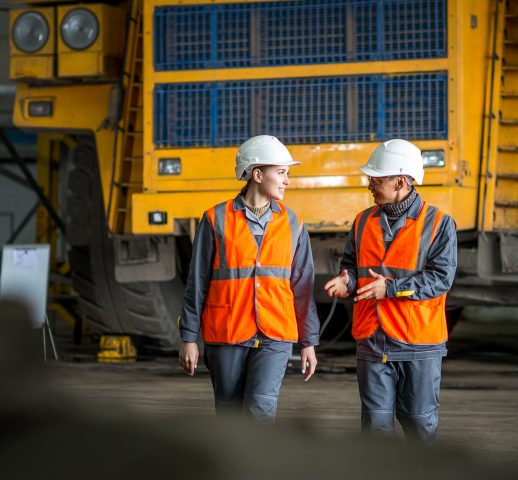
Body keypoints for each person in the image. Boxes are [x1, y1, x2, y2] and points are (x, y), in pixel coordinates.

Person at [324, 139, 457, 444]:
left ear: (400, 181)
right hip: (373, 340)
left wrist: (392, 289)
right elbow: (354, 267)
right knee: (375, 428)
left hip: (418, 344)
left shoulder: (438, 223)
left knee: (419, 425)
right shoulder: (361, 222)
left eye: (376, 178)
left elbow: (440, 280)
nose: (369, 184)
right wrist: (348, 281)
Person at [178, 135, 319, 422]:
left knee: (260, 412)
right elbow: (198, 282)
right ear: (257, 174)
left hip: (275, 334)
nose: (287, 181)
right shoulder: (215, 218)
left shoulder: (294, 223)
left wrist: (308, 341)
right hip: (227, 331)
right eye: (281, 173)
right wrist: (188, 337)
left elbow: (303, 288)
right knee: (230, 417)